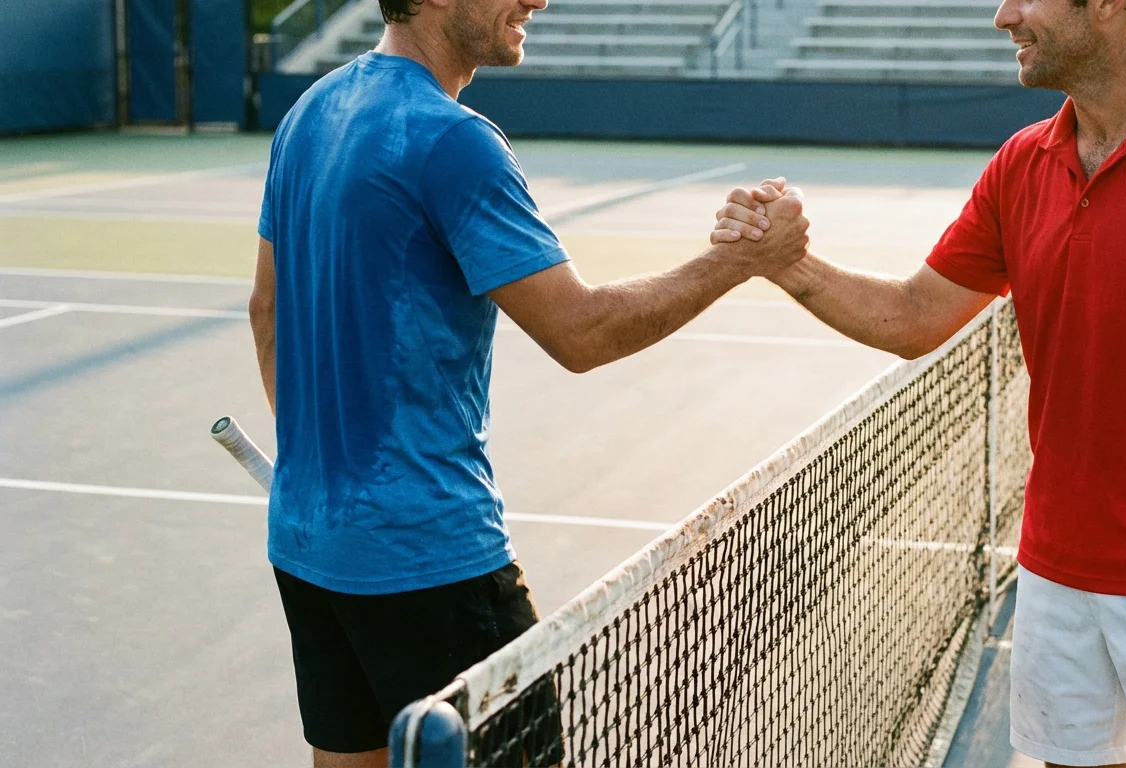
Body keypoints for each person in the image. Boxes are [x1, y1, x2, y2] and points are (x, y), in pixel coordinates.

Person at [714, 0, 1126, 765]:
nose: (1003, 15)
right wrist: (785, 261)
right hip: (1055, 570)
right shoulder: (1023, 162)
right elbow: (913, 317)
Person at [247, 0, 808, 763]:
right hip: (428, 562)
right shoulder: (453, 142)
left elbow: (266, 309)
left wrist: (322, 471)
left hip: (308, 545)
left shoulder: (310, 112)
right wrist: (740, 260)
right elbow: (582, 331)